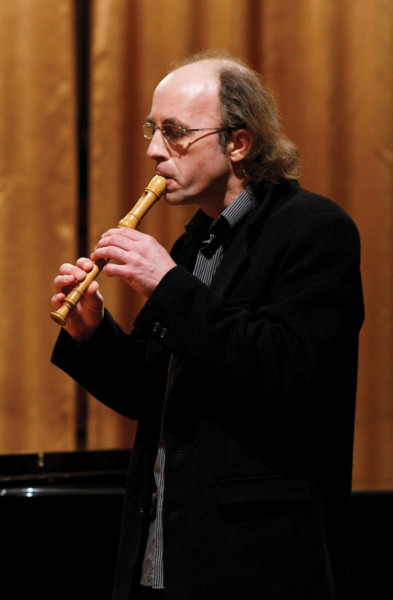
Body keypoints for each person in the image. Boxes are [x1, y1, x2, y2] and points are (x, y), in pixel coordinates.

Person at [50, 50, 364, 600]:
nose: (154, 150)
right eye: (152, 130)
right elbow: (150, 394)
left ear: (238, 143)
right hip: (163, 551)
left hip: (256, 561)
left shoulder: (314, 229)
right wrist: (93, 334)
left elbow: (288, 367)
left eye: (174, 133)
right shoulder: (194, 242)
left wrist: (167, 286)